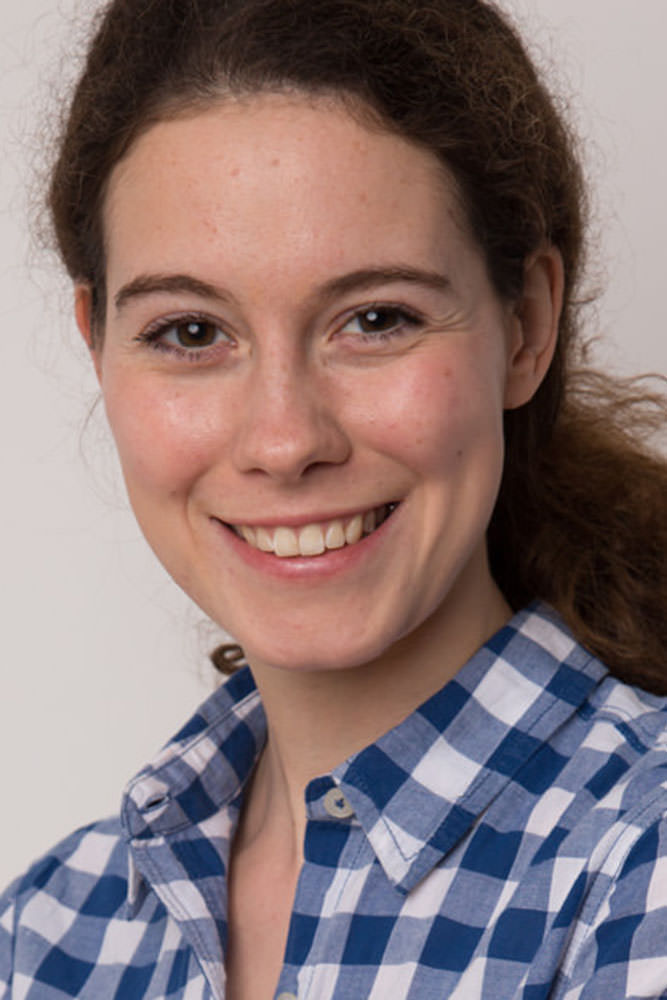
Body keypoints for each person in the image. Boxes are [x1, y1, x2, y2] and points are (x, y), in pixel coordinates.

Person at [2, 0, 667, 997]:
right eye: (191, 332)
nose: (284, 440)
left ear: (526, 324)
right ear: (97, 344)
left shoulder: (642, 868)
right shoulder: (50, 932)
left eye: (376, 319)